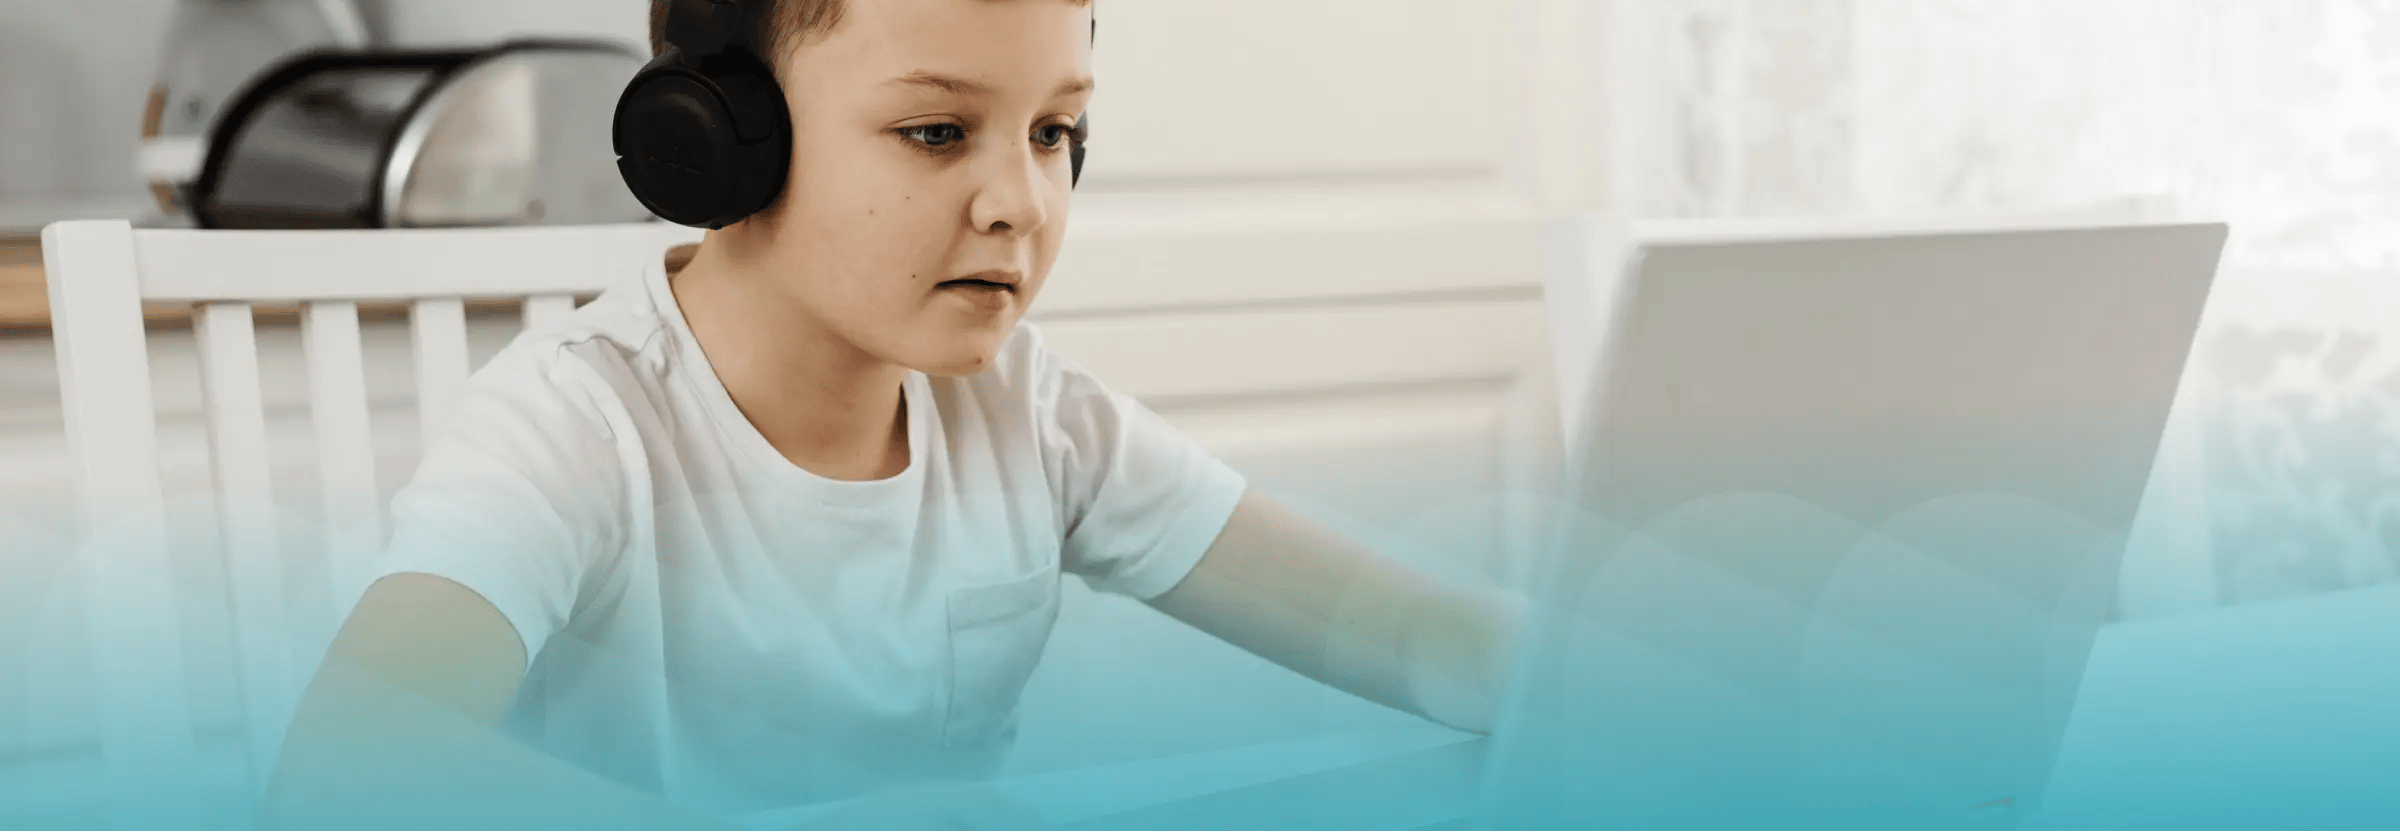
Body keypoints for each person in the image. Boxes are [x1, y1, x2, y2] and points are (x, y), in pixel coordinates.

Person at [263, 0, 1524, 828]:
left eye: (1054, 132)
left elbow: (1408, 634)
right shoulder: (576, 427)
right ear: (715, 140)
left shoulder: (1032, 418)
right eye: (936, 131)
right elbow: (349, 775)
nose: (1019, 201)